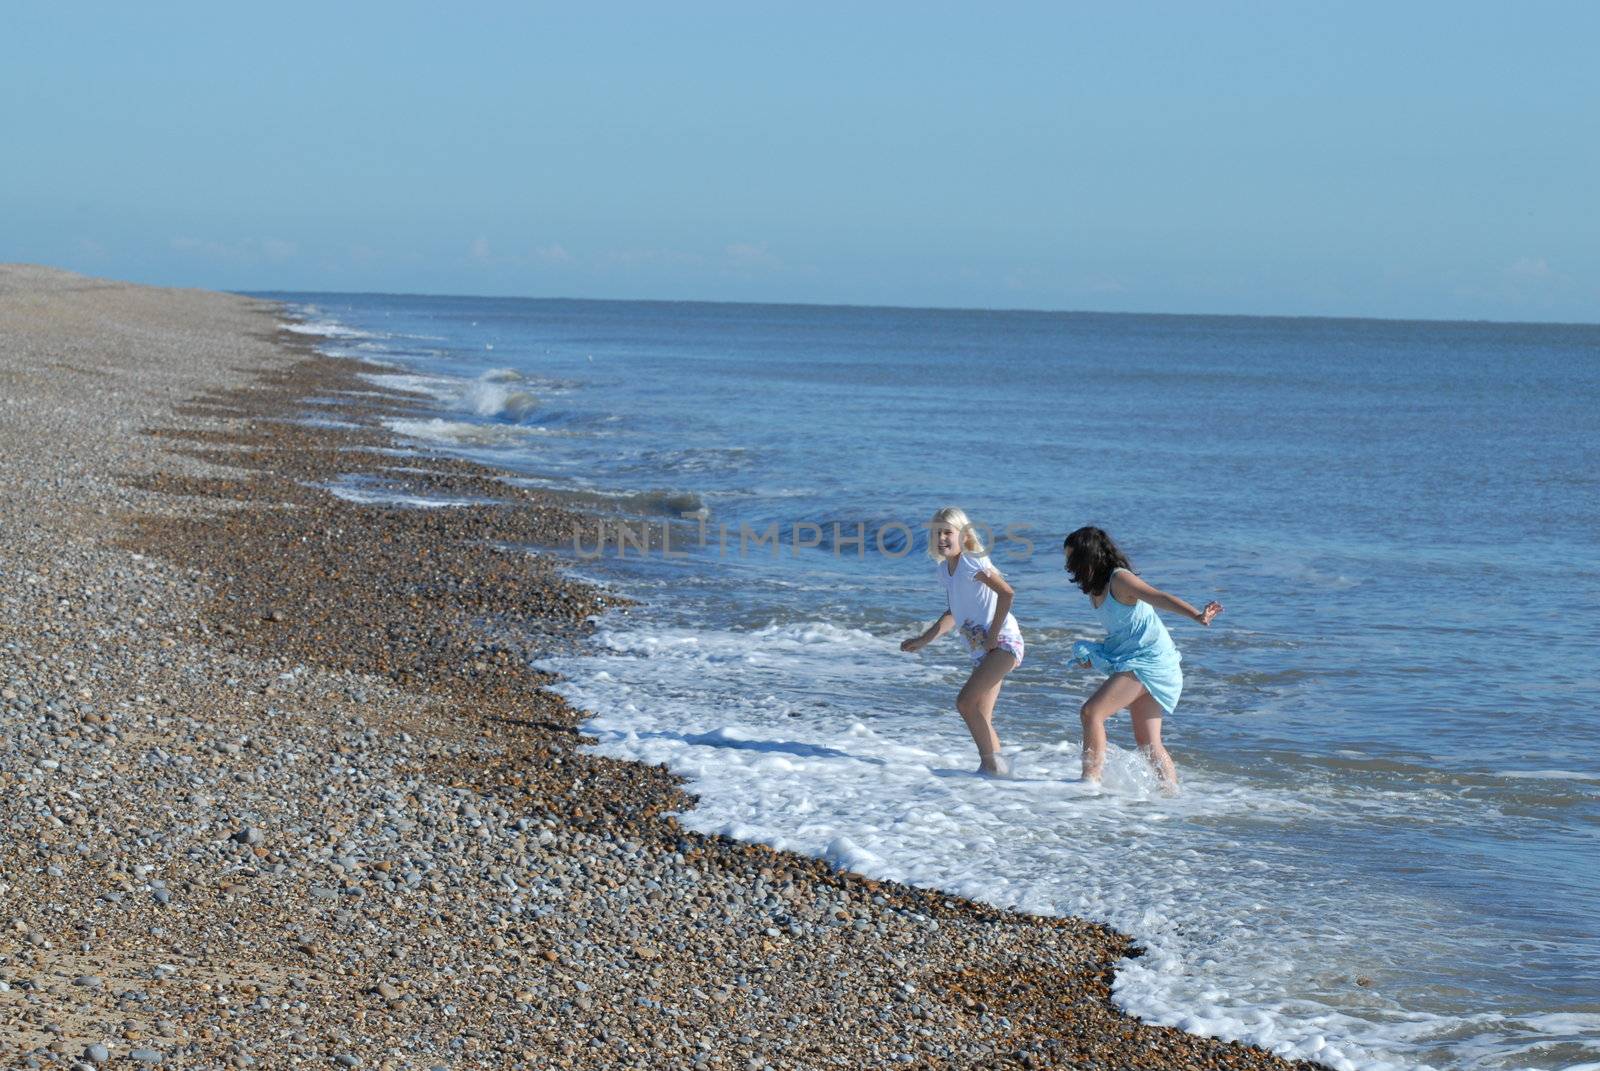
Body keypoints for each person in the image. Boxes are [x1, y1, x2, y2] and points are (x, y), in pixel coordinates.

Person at [1063, 526, 1222, 791]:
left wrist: (1197, 615)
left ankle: (1089, 782)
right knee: (1148, 743)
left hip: (1151, 661)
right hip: (1135, 658)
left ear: (1087, 556)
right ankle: (1171, 796)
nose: (1068, 565)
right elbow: (1124, 632)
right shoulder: (1095, 588)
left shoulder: (1119, 580)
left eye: (1072, 558)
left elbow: (1158, 597)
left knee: (1092, 712)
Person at [901, 507, 1024, 776]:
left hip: (1003, 643)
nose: (942, 538)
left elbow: (1007, 593)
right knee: (981, 714)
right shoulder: (945, 571)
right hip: (983, 651)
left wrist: (992, 634)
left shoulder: (972, 561)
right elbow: (953, 615)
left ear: (963, 535)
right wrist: (924, 639)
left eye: (948, 532)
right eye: (937, 533)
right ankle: (999, 774)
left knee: (964, 702)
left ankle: (990, 766)